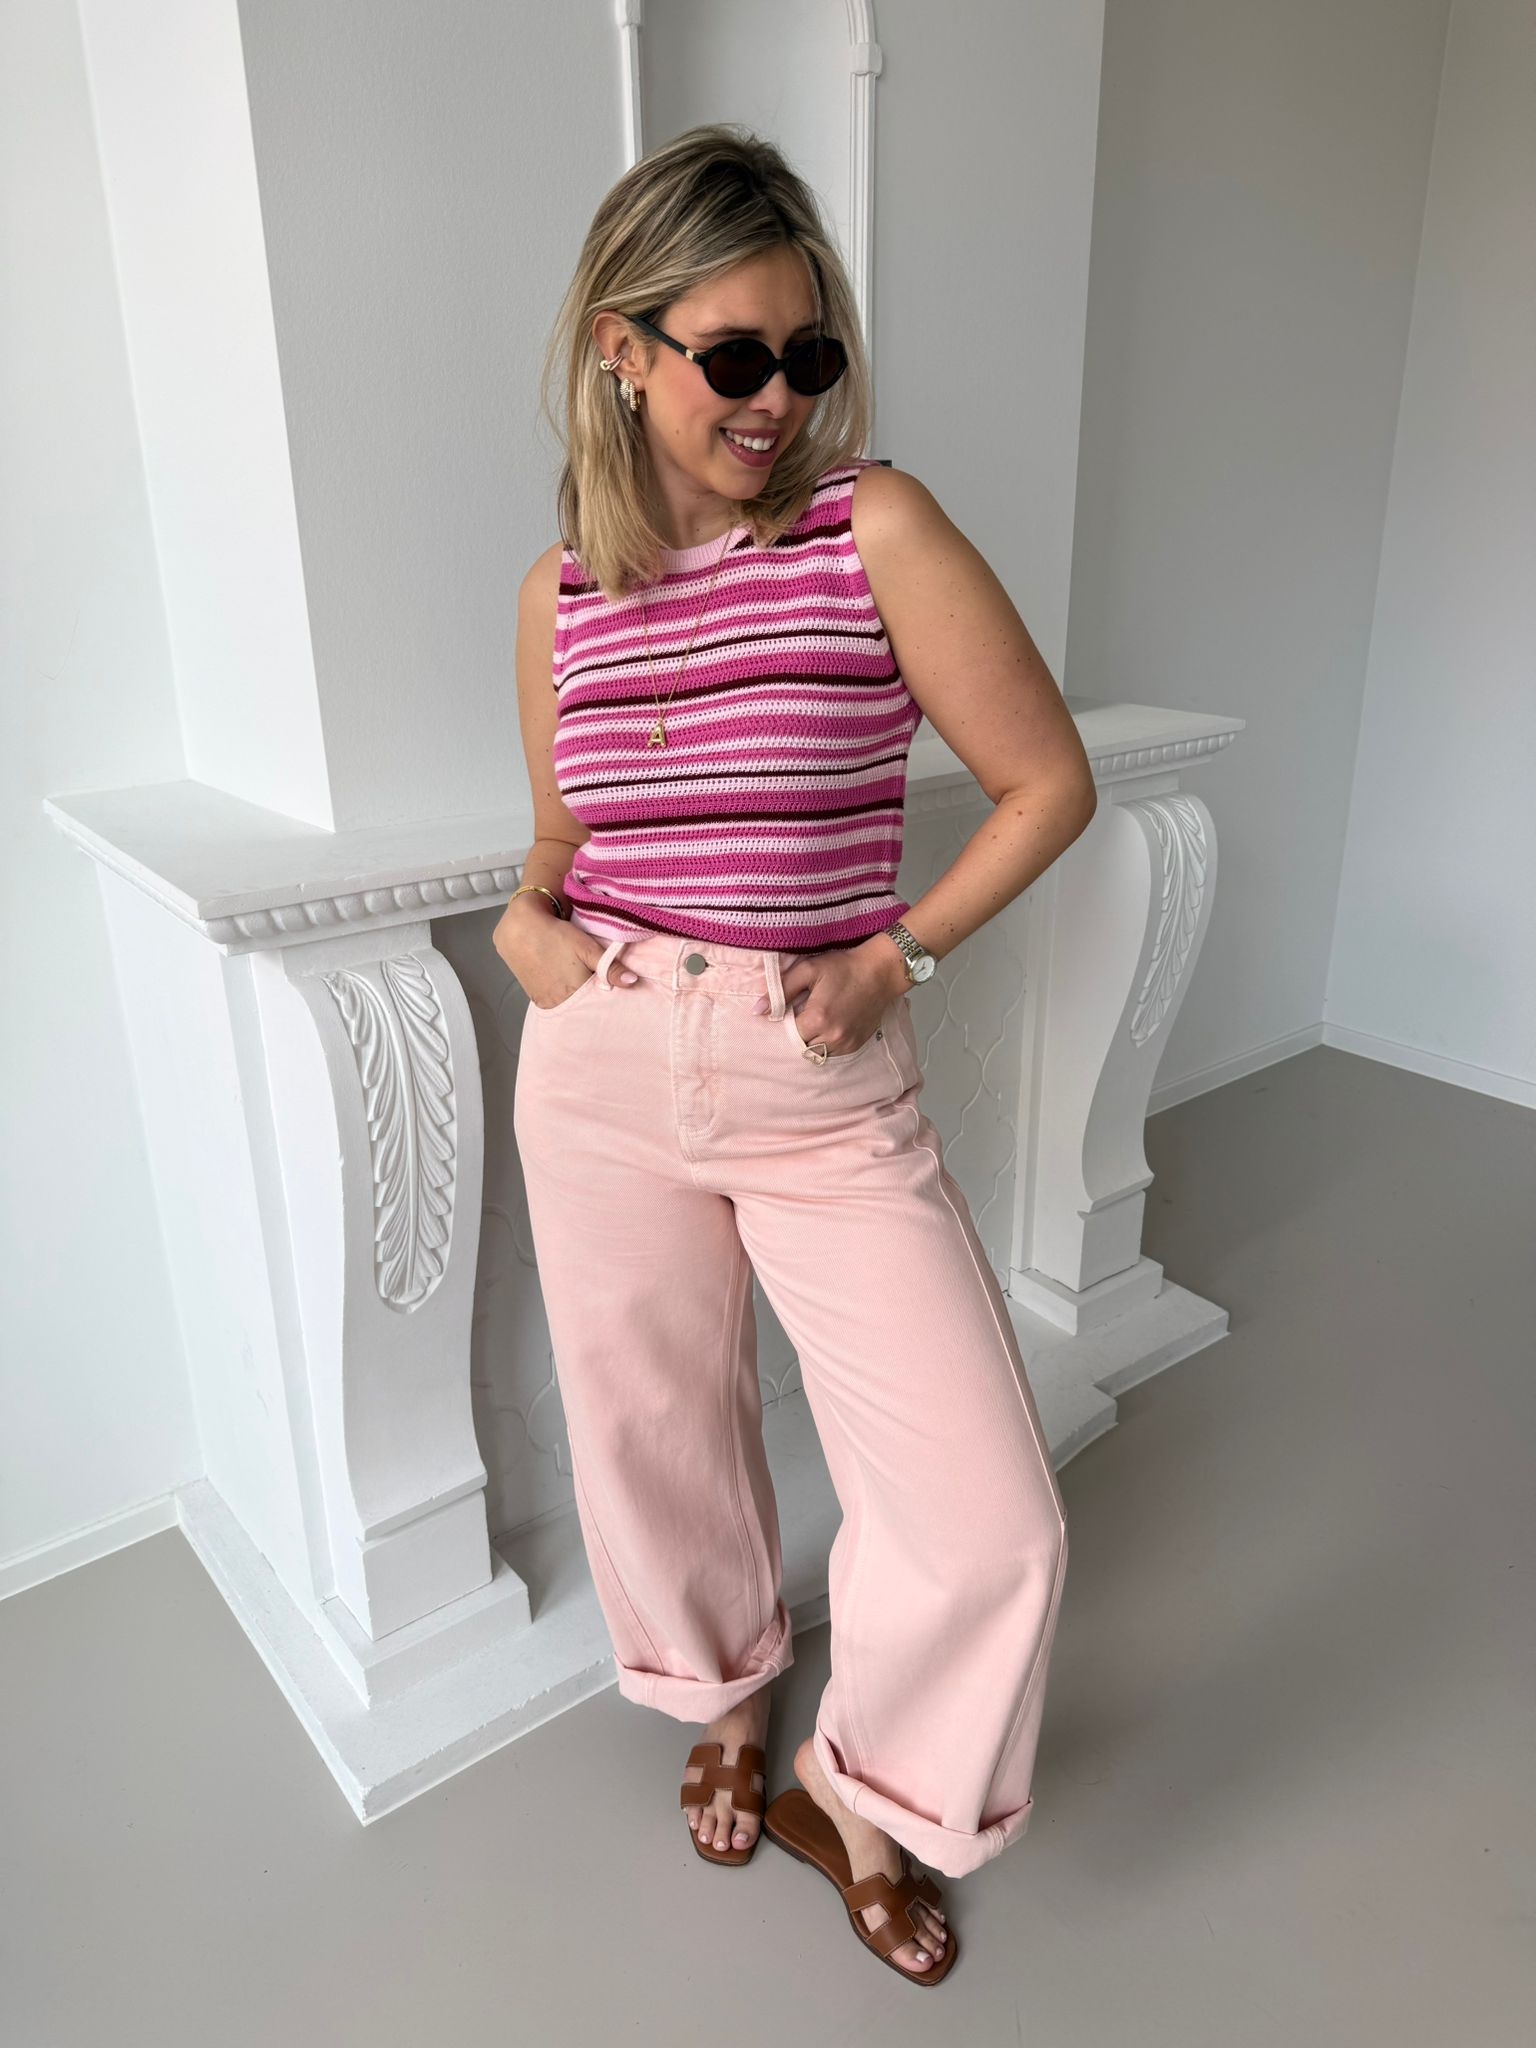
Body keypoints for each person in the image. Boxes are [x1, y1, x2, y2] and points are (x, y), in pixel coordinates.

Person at [497, 124, 1098, 1987]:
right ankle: (726, 1696)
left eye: (810, 354)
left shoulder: (872, 530)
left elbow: (1046, 783)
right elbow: (567, 834)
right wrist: (527, 916)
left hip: (815, 1072)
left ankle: (868, 1787)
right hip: (603, 1065)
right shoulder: (559, 594)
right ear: (623, 350)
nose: (780, 399)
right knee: (652, 1432)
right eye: (736, 356)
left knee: (988, 1515)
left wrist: (898, 955)